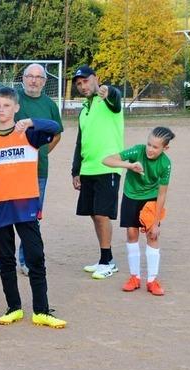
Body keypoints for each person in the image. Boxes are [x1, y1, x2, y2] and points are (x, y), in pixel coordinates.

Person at [0, 86, 66, 329]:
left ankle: (41, 310)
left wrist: (31, 122)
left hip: (26, 204)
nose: (1, 110)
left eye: (6, 105)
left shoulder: (30, 133)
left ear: (16, 107)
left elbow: (55, 128)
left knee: (35, 256)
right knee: (5, 259)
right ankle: (13, 307)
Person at [0, 63, 63, 277]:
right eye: (30, 76)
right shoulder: (13, 98)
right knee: (2, 216)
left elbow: (56, 133)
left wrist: (40, 152)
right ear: (23, 78)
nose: (34, 80)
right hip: (8, 169)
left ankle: (25, 260)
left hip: (37, 172)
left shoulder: (50, 105)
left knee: (30, 219)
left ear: (45, 82)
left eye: (38, 77)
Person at [102, 127, 174, 296]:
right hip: (131, 197)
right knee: (132, 234)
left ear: (165, 148)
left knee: (152, 235)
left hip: (151, 200)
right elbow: (107, 160)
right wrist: (129, 165)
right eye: (149, 144)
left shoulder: (166, 164)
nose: (150, 149)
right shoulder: (137, 150)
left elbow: (162, 194)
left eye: (156, 147)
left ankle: (152, 280)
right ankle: (134, 277)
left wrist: (156, 223)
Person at [71, 65, 124, 280]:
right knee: (94, 214)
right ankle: (104, 257)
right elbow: (80, 142)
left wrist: (108, 91)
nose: (83, 86)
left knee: (102, 214)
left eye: (86, 81)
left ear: (96, 79)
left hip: (108, 167)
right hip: (88, 169)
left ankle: (107, 262)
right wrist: (76, 170)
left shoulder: (108, 101)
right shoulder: (84, 110)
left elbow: (116, 98)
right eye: (79, 83)